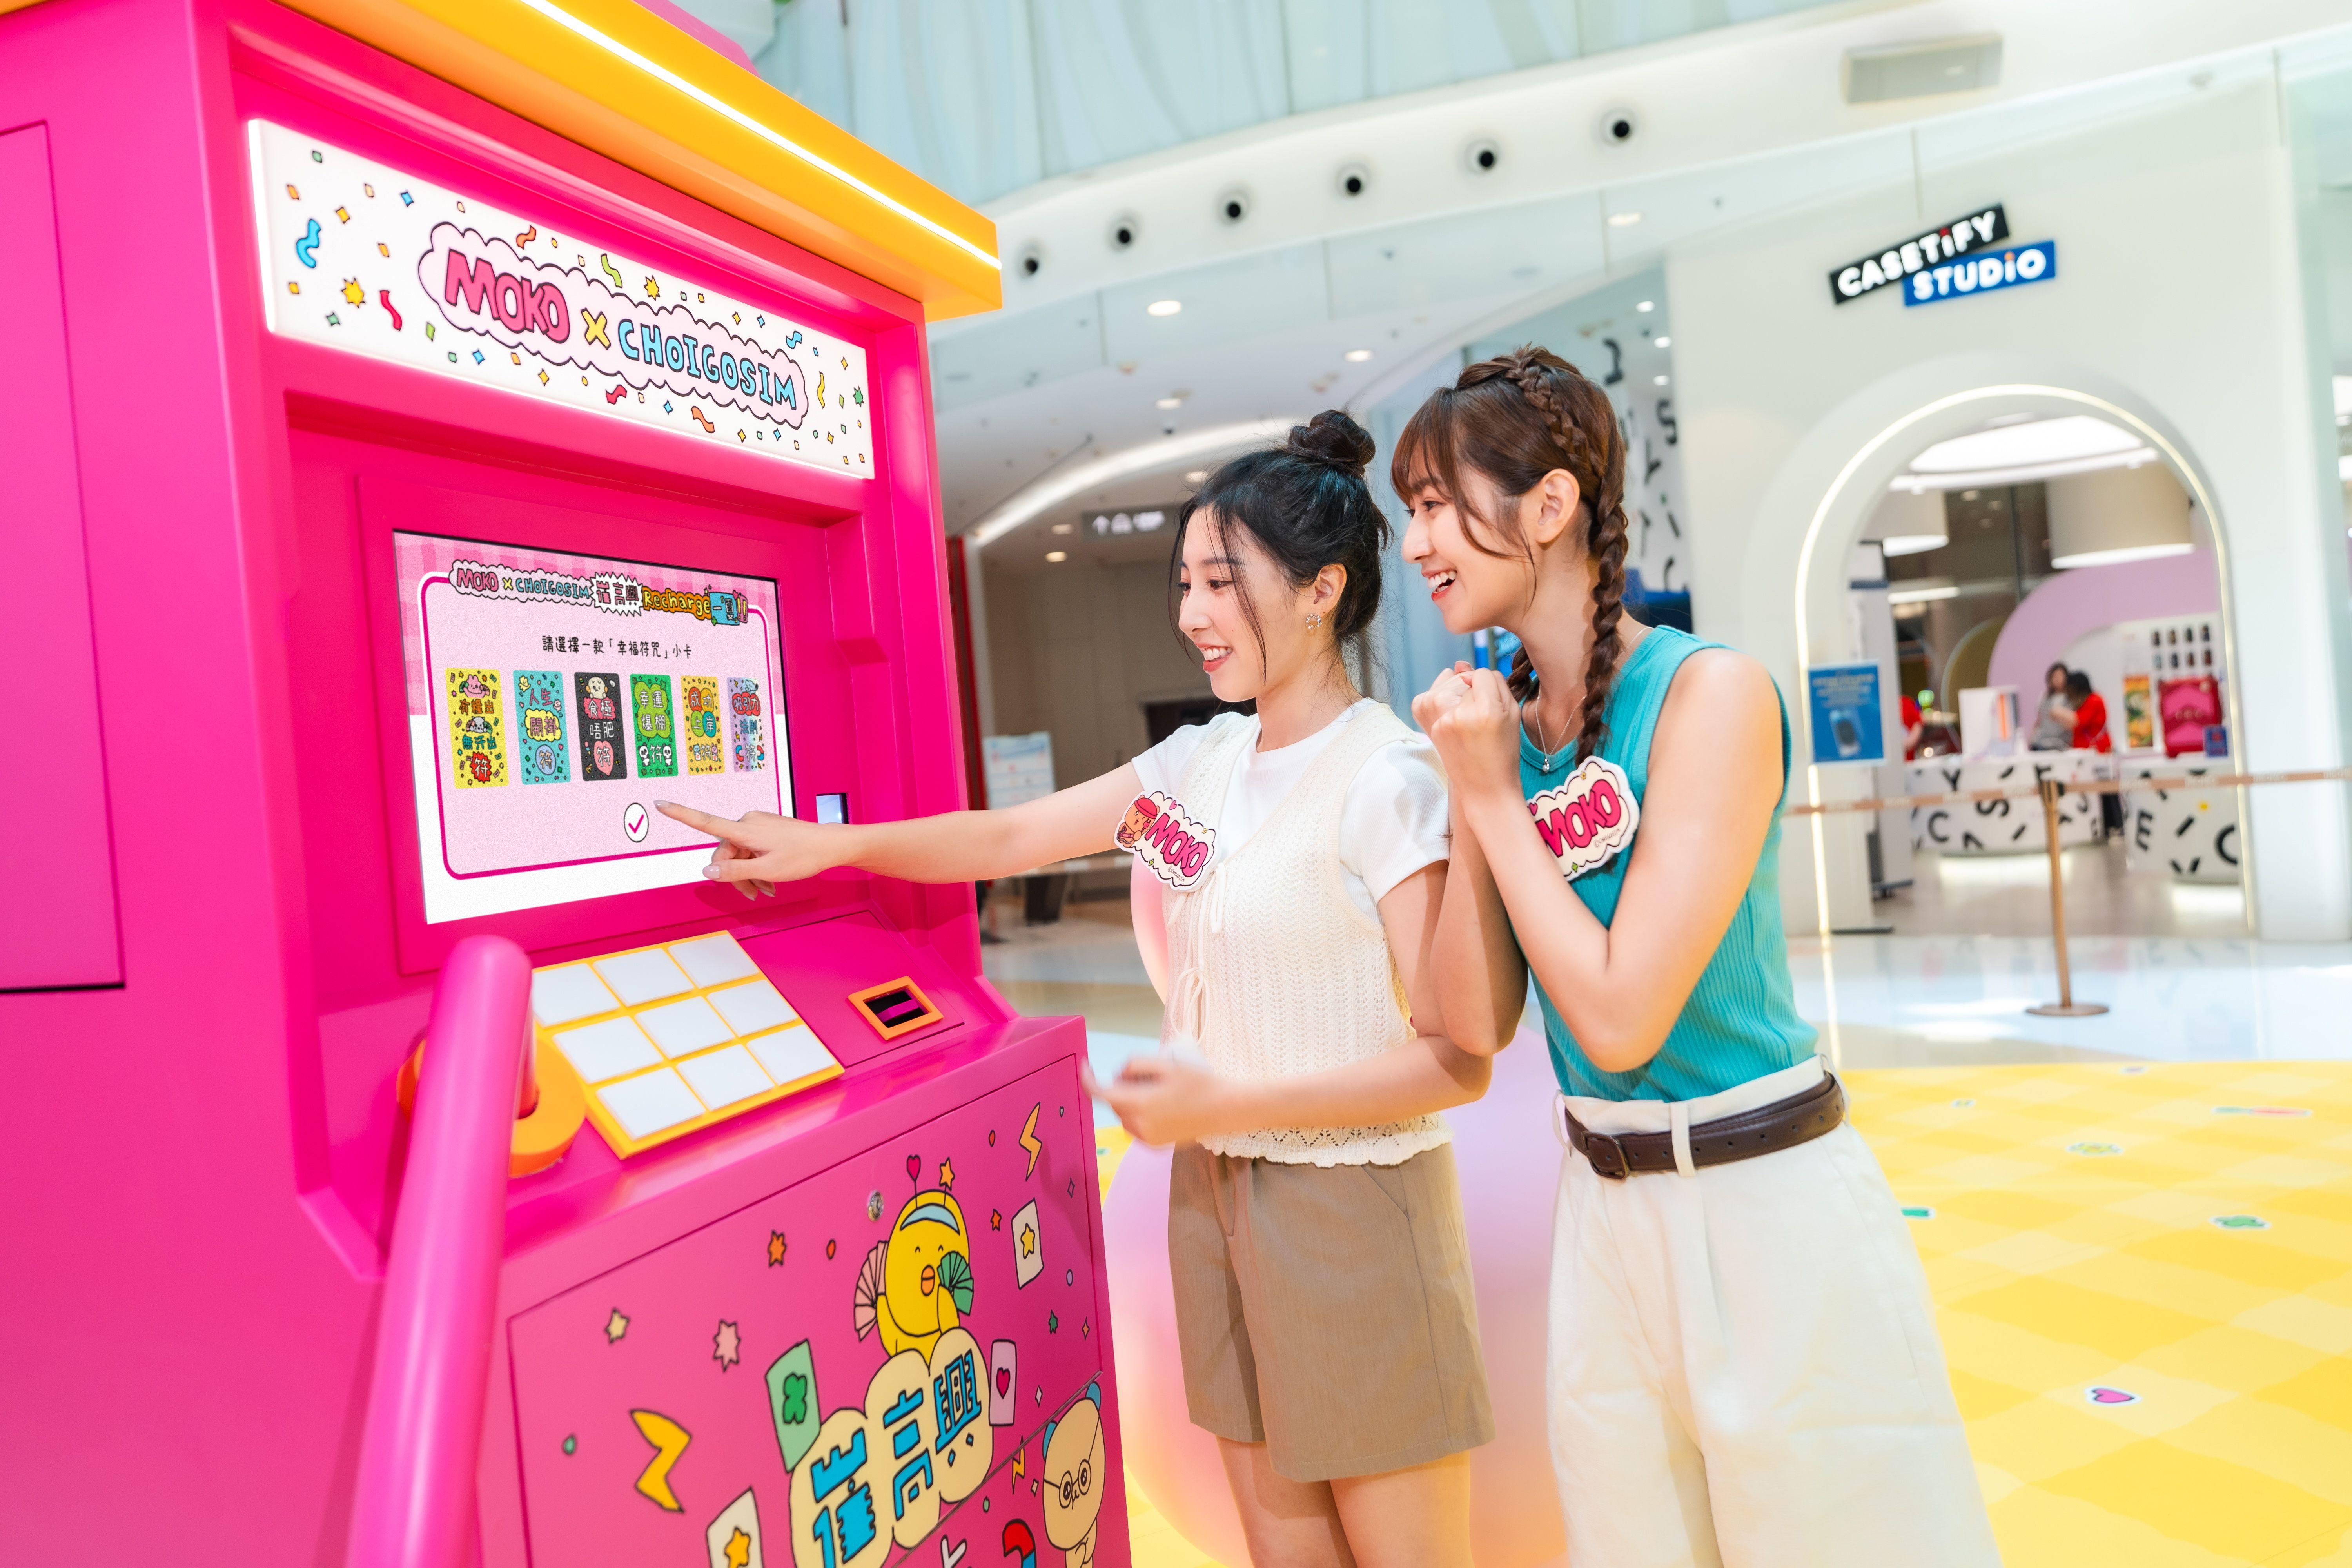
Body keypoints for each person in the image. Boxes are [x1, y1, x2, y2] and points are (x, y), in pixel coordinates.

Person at [660, 413, 1494, 1568]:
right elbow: (1009, 834)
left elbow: (1455, 1057)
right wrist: (828, 846)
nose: (1190, 613)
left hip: (1353, 1208)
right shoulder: (1198, 762)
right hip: (1213, 1195)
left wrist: (1229, 1106)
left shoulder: (1385, 775)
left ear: (1322, 590)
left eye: (1221, 582)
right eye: (1185, 583)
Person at [1394, 347, 1998, 1568]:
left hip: (1761, 1197)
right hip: (1600, 1212)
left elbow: (1621, 1018)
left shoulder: (1710, 695)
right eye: (1409, 511)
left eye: (1436, 504)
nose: (1415, 545)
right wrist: (1474, 791)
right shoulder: (1502, 734)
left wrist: (1494, 802)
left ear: (1549, 505)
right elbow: (1466, 1018)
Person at [2063, 669, 2111, 753]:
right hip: (2085, 750)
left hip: (2097, 750)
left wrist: (2056, 711)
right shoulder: (2081, 703)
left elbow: (2077, 721)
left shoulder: (2094, 700)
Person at [2030, 661, 2074, 750]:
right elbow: (2040, 720)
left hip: (2062, 744)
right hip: (2042, 742)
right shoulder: (2045, 698)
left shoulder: (2072, 699)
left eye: (2061, 676)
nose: (2058, 679)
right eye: (2055, 676)